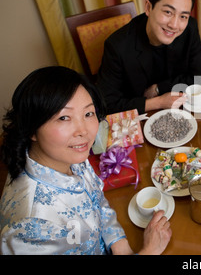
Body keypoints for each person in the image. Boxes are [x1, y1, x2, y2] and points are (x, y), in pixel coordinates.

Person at [0, 66, 171, 255]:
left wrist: (121, 246)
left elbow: (96, 200)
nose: (83, 131)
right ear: (32, 128)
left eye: (88, 114)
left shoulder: (68, 156)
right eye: (64, 118)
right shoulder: (32, 225)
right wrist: (150, 251)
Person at [97, 0, 201, 114]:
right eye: (168, 12)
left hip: (179, 111)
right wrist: (158, 102)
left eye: (183, 16)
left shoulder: (189, 29)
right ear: (148, 8)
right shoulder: (117, 46)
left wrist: (159, 88)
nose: (174, 25)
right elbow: (107, 104)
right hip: (139, 118)